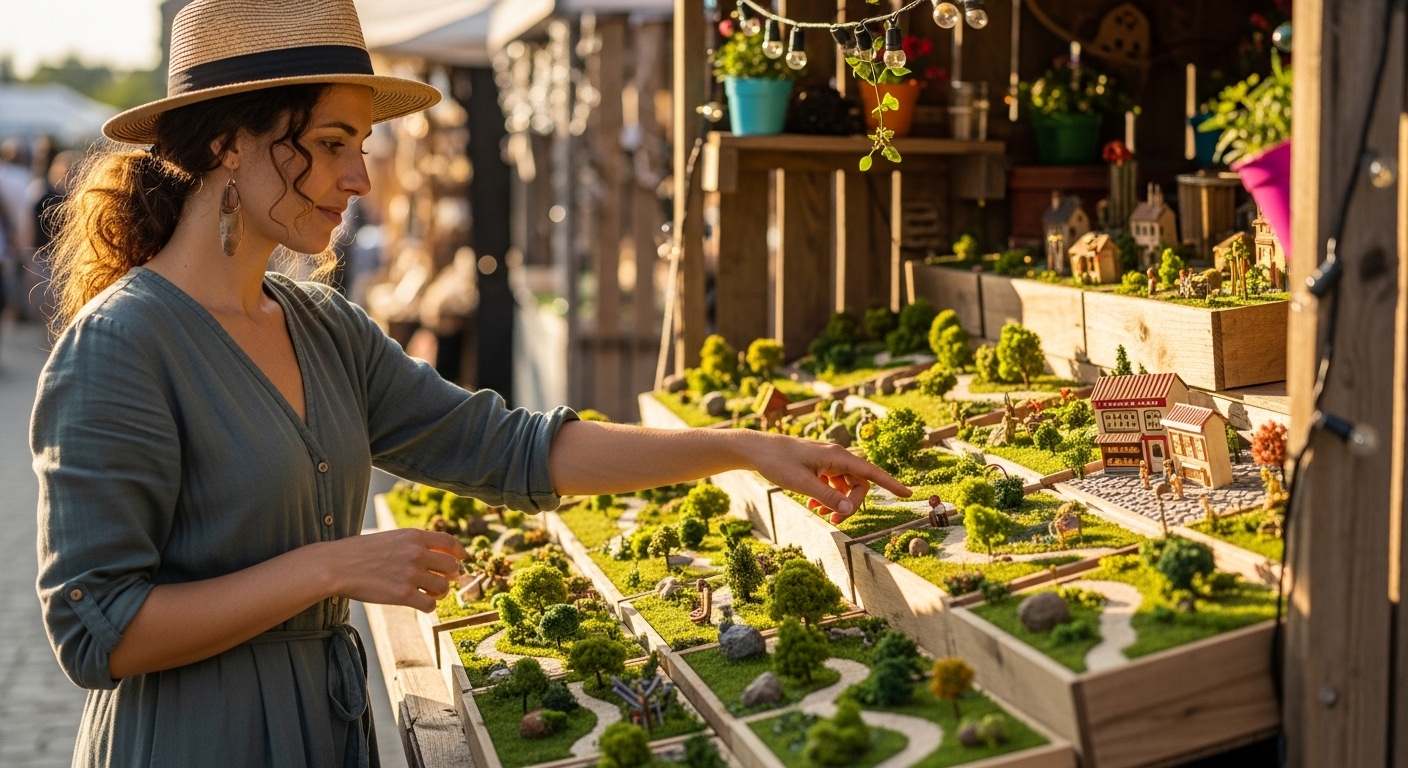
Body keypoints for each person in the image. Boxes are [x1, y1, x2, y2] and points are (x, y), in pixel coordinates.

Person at [32, 3, 908, 768]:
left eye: (361, 147)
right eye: (332, 144)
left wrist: (739, 449)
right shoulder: (121, 347)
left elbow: (515, 449)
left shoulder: (321, 326)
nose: (359, 178)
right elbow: (95, 629)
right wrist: (330, 566)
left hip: (322, 725)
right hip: (191, 742)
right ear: (228, 142)